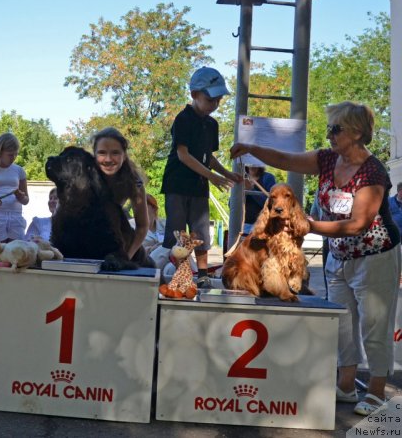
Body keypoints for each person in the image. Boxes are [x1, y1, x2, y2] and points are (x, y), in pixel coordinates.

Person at [230, 101, 401, 416]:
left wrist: (309, 226)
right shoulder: (326, 159)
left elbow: (359, 224)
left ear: (357, 132)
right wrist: (250, 148)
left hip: (374, 256)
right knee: (342, 324)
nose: (330, 134)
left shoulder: (372, 171)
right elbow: (285, 159)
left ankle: (377, 391)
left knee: (374, 326)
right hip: (338, 255)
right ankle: (346, 386)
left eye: (336, 128)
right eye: (329, 128)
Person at [161, 67, 243, 288]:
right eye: (210, 99)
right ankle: (180, 274)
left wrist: (226, 173)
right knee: (179, 234)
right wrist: (213, 177)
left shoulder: (212, 124)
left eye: (218, 100)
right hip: (177, 183)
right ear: (194, 95)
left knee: (200, 231)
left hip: (198, 185)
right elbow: (183, 155)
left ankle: (203, 274)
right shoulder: (183, 119)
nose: (214, 104)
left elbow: (209, 156)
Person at [92, 127, 148, 261]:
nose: (108, 159)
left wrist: (127, 256)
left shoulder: (135, 183)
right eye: (102, 153)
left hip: (117, 247)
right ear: (94, 155)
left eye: (115, 153)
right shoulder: (83, 178)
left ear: (124, 154)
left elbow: (142, 226)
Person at [242, 165, 276, 234]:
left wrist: (251, 190)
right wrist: (242, 193)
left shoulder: (268, 178)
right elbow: (231, 205)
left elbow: (271, 204)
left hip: (262, 226)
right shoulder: (240, 177)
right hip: (242, 226)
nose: (253, 165)